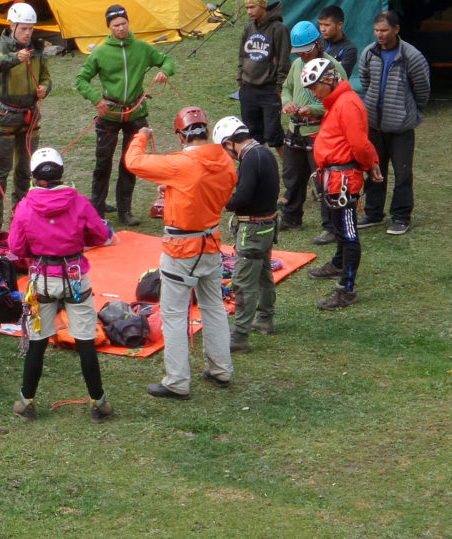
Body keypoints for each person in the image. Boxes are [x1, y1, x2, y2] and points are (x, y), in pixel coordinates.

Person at [124, 106, 237, 399]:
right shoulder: (225, 162)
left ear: (180, 134)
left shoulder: (180, 165)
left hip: (180, 248)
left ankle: (177, 381)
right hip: (210, 243)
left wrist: (141, 137)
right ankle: (221, 368)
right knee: (213, 307)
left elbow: (133, 161)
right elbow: (205, 191)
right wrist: (175, 192)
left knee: (174, 314)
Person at [8, 148, 114, 423]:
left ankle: (26, 402)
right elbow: (101, 235)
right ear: (61, 172)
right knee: (85, 340)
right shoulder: (77, 201)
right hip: (75, 276)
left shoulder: (25, 206)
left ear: (34, 175)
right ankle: (98, 403)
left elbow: (16, 247)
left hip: (43, 278)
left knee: (38, 341)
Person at [76, 4, 176, 226]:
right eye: (116, 25)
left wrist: (164, 71)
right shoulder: (100, 52)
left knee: (130, 163)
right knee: (103, 164)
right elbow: (81, 80)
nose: (121, 28)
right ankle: (97, 210)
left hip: (135, 113)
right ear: (109, 27)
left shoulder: (141, 48)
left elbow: (168, 61)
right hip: (109, 114)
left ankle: (125, 211)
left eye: (123, 23)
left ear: (128, 23)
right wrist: (96, 99)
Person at [302, 58, 382, 310]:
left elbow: (359, 144)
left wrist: (371, 164)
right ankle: (338, 264)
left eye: (315, 87)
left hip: (344, 181)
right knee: (339, 229)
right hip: (333, 179)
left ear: (329, 79)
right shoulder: (337, 102)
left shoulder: (348, 104)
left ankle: (346, 289)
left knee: (348, 235)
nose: (313, 93)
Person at [357, 11, 431, 235]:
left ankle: (401, 216)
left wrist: (407, 110)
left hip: (401, 128)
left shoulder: (412, 56)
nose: (379, 34)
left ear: (396, 30)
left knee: (402, 173)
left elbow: (422, 90)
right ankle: (373, 212)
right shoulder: (369, 53)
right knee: (374, 169)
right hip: (374, 125)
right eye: (376, 30)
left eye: (384, 30)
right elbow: (364, 80)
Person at [213, 116, 280, 351]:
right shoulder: (264, 152)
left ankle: (239, 336)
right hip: (268, 225)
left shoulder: (250, 159)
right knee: (263, 274)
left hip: (252, 230)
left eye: (225, 148)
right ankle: (264, 319)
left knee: (243, 282)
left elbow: (241, 198)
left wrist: (221, 200)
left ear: (230, 142)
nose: (227, 154)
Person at [0, 2, 50, 235]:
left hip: (30, 118)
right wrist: (15, 57)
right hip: (5, 117)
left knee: (25, 171)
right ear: (12, 26)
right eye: (23, 28)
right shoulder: (1, 47)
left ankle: (20, 223)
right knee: (0, 173)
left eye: (31, 29)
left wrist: (45, 88)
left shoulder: (38, 50)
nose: (28, 33)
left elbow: (46, 78)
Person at [279, 20, 347, 242]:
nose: (302, 56)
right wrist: (287, 103)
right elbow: (287, 88)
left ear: (318, 44)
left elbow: (342, 100)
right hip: (295, 129)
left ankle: (330, 227)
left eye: (306, 51)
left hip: (319, 132)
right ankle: (290, 217)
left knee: (323, 181)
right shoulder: (297, 64)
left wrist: (314, 109)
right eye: (298, 52)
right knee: (292, 176)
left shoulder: (333, 67)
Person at [237, 0, 289, 149]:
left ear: (262, 6)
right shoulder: (249, 29)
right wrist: (240, 80)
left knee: (273, 135)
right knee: (252, 135)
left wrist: (280, 88)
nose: (249, 12)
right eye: (247, 8)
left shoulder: (278, 29)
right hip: (248, 89)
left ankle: (290, 173)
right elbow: (242, 56)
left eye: (252, 7)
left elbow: (284, 61)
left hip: (269, 90)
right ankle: (259, 167)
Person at [317, 5, 358, 81]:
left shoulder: (350, 49)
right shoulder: (318, 42)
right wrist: (334, 65)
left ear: (339, 25)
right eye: (320, 24)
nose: (322, 29)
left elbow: (339, 77)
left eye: (327, 25)